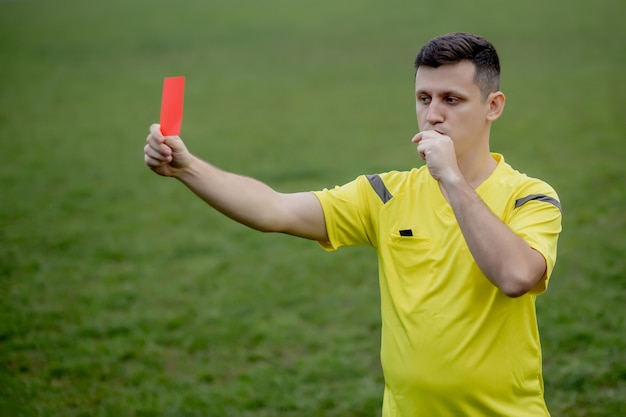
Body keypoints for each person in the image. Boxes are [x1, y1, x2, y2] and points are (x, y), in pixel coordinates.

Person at [144, 32, 562, 416]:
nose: (432, 115)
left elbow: (515, 275)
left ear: (493, 106)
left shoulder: (530, 196)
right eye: (423, 98)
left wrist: (451, 178)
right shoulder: (385, 194)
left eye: (451, 100)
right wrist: (188, 168)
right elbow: (275, 209)